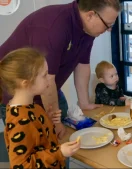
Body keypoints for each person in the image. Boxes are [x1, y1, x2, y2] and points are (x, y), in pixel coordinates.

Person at [0, 0, 120, 162]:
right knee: (45, 147)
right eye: (108, 25)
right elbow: (49, 79)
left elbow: (82, 65)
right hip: (16, 95)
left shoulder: (88, 30)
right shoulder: (53, 27)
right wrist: (55, 127)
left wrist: (83, 103)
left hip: (45, 90)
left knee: (59, 143)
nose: (108, 30)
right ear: (91, 15)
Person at [1, 48, 80, 168]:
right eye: (44, 75)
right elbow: (21, 165)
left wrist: (47, 121)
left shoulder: (33, 107)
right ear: (26, 83)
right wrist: (59, 153)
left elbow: (36, 136)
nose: (49, 79)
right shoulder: (20, 121)